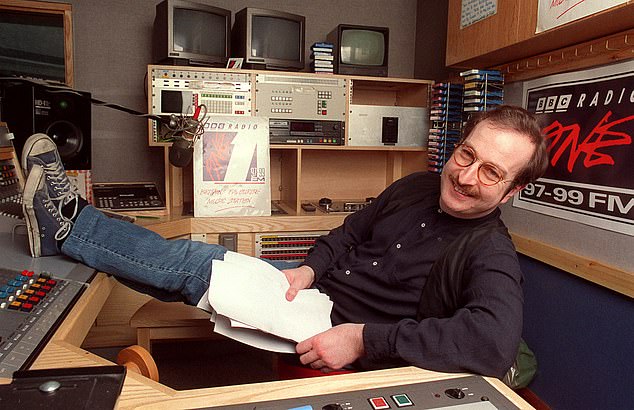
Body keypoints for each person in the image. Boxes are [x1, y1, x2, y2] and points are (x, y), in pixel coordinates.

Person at [21, 105, 548, 379]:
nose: (467, 175)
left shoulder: (491, 252)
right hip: (313, 294)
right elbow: (349, 233)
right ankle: (69, 234)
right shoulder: (415, 185)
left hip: (339, 330)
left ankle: (68, 225)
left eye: (491, 172)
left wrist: (365, 340)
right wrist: (311, 269)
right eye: (465, 155)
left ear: (511, 192)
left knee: (194, 265)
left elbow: (493, 343)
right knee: (192, 275)